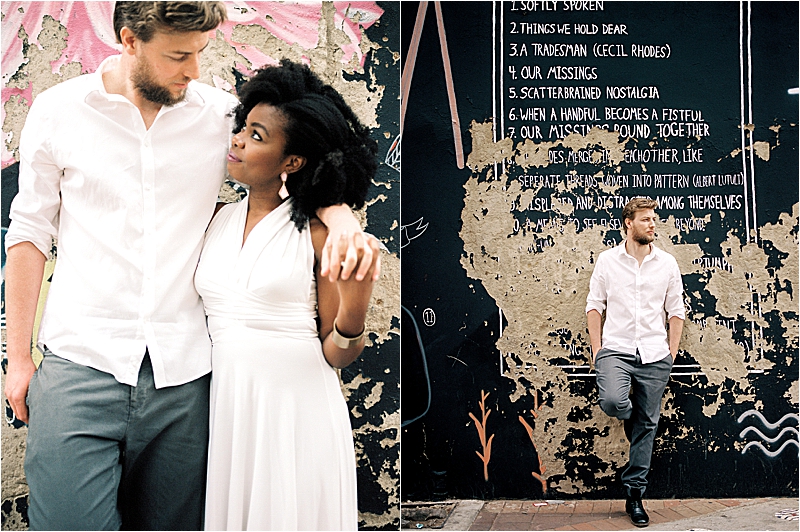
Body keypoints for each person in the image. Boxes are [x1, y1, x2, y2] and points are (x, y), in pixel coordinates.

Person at [3, 2, 378, 530]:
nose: (194, 71)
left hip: (185, 382)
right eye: (178, 56)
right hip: (80, 365)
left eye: (200, 52)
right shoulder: (58, 111)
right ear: (130, 41)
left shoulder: (221, 119)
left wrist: (340, 220)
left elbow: (302, 161)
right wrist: (19, 358)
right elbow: (28, 233)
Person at [197, 60, 376, 531]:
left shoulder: (316, 235)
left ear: (292, 162)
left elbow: (337, 354)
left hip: (296, 410)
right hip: (228, 407)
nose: (238, 140)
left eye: (257, 136)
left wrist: (356, 306)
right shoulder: (213, 218)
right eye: (243, 128)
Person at [585, 198, 685, 528]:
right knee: (613, 401)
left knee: (647, 426)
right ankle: (632, 417)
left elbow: (676, 311)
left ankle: (634, 495)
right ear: (628, 223)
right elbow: (594, 306)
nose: (653, 224)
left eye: (654, 218)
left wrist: (670, 354)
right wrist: (598, 350)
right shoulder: (607, 261)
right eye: (645, 219)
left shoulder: (667, 263)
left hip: (655, 355)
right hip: (616, 350)